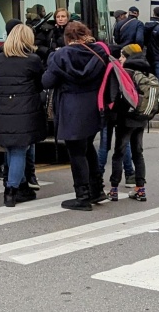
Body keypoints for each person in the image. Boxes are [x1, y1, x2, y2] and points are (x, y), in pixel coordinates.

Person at [43, 22, 110, 211]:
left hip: (70, 108)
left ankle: (82, 197)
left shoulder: (60, 55)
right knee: (88, 147)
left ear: (67, 37)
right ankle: (97, 189)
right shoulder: (99, 52)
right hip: (93, 107)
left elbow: (47, 81)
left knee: (76, 154)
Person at [0, 23, 46, 207]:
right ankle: (11, 191)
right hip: (24, 111)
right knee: (19, 150)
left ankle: (14, 183)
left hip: (0, 110)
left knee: (10, 149)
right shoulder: (33, 60)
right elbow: (41, 84)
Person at [109, 45, 151, 202]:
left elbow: (118, 97)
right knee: (138, 153)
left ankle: (113, 189)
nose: (120, 59)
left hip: (126, 119)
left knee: (118, 153)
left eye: (122, 56)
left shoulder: (125, 73)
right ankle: (140, 189)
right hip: (141, 119)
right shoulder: (146, 70)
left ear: (129, 57)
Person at [144, 7, 159, 86]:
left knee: (149, 80)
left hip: (148, 57)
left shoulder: (146, 26)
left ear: (153, 13)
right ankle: (158, 97)